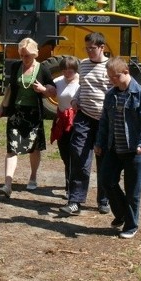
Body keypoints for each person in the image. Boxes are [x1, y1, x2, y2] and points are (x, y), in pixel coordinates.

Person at [96, 57, 141, 239]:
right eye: (110, 77)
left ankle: (131, 225)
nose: (112, 80)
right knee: (106, 180)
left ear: (126, 72)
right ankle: (121, 213)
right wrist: (99, 142)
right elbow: (104, 122)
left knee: (132, 190)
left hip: (135, 151)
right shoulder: (111, 95)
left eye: (115, 77)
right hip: (114, 148)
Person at [0, 38, 55, 199]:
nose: (24, 58)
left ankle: (33, 176)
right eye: (22, 55)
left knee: (34, 148)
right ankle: (7, 185)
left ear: (35, 54)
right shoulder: (16, 67)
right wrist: (3, 106)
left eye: (27, 55)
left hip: (34, 113)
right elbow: (9, 88)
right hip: (16, 112)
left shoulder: (43, 69)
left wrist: (43, 89)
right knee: (12, 148)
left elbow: (53, 91)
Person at [61, 32, 111, 216]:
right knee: (79, 155)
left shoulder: (109, 66)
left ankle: (104, 200)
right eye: (87, 48)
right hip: (83, 117)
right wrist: (75, 99)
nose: (90, 51)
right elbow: (82, 86)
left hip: (104, 120)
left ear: (102, 48)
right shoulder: (83, 64)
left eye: (93, 48)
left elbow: (113, 90)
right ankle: (75, 201)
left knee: (103, 160)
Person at [50, 56, 80, 198]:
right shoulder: (57, 82)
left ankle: (73, 188)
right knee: (65, 155)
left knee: (75, 156)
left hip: (77, 122)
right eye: (64, 70)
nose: (67, 73)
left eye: (70, 70)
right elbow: (47, 90)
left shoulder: (82, 82)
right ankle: (69, 185)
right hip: (62, 121)